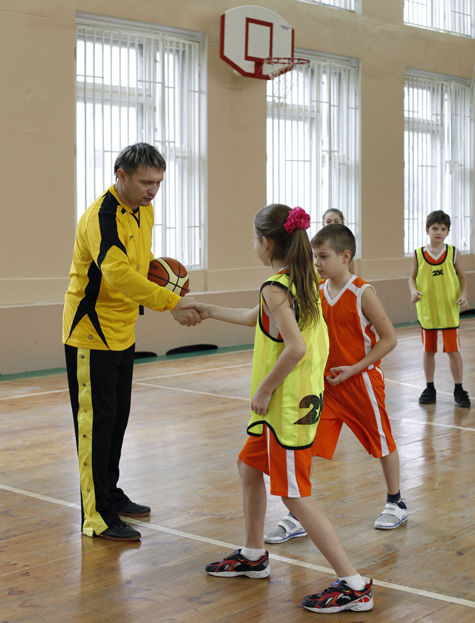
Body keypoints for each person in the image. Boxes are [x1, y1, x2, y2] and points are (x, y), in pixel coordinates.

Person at [189, 205, 373, 614]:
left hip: (287, 405)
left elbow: (296, 347)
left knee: (294, 496)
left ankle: (354, 584)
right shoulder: (297, 280)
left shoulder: (277, 286)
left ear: (266, 242)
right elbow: (258, 319)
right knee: (248, 466)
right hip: (294, 403)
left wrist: (265, 388)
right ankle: (253, 555)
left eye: (254, 238)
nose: (253, 245)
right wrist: (207, 309)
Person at [63, 142, 200, 542]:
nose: (152, 190)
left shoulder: (143, 210)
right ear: (120, 175)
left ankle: (110, 492)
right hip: (91, 335)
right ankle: (97, 517)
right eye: (145, 182)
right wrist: (170, 302)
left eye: (158, 183)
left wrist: (165, 278)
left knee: (117, 420)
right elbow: (118, 273)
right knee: (95, 426)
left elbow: (140, 262)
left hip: (123, 331)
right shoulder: (101, 217)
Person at [265, 224, 408, 545]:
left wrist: (355, 368)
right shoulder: (316, 291)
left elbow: (389, 339)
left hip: (361, 383)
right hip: (325, 387)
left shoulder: (362, 292)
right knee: (305, 445)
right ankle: (297, 514)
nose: (317, 263)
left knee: (382, 442)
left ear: (345, 256)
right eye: (314, 256)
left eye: (323, 256)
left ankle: (396, 501)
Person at [408, 210, 470, 408]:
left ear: (447, 232)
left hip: (449, 309)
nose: (439, 232)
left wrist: (464, 295)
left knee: (453, 350)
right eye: (435, 228)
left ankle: (459, 389)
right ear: (427, 230)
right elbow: (411, 277)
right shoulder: (418, 254)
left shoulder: (453, 252)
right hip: (428, 310)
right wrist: (413, 291)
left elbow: (462, 276)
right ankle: (429, 388)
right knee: (428, 351)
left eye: (443, 229)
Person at [321, 209, 355, 273]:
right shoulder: (318, 244)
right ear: (323, 224)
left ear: (342, 224)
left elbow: (351, 272)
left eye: (336, 221)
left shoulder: (347, 245)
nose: (332, 224)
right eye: (328, 221)